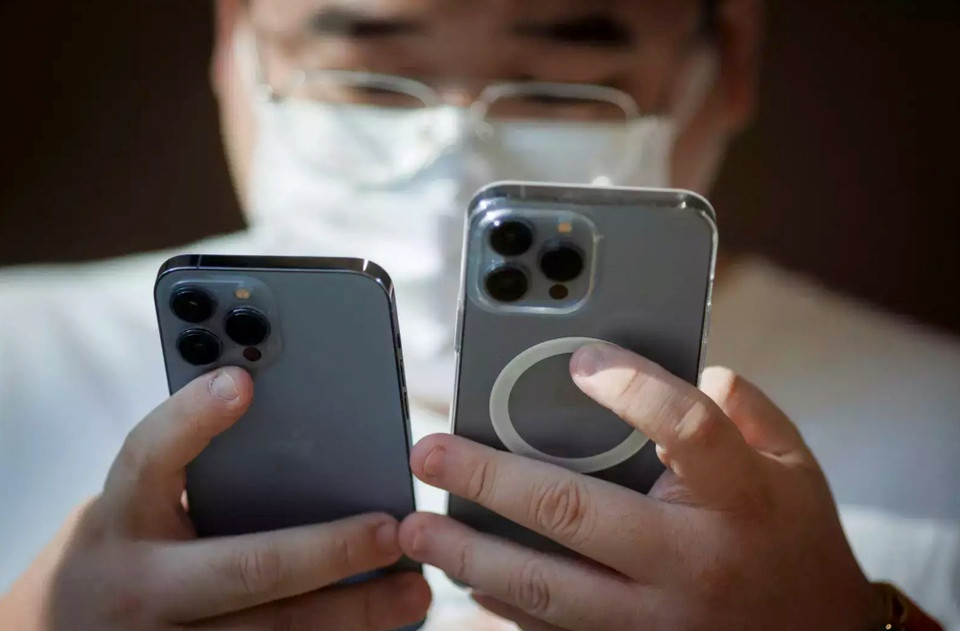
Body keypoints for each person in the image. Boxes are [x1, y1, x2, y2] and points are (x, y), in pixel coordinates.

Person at [0, 0, 957, 627]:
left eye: (560, 87)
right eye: (366, 76)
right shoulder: (19, 363)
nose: (457, 159)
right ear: (235, 39)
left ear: (729, 60)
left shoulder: (940, 436)